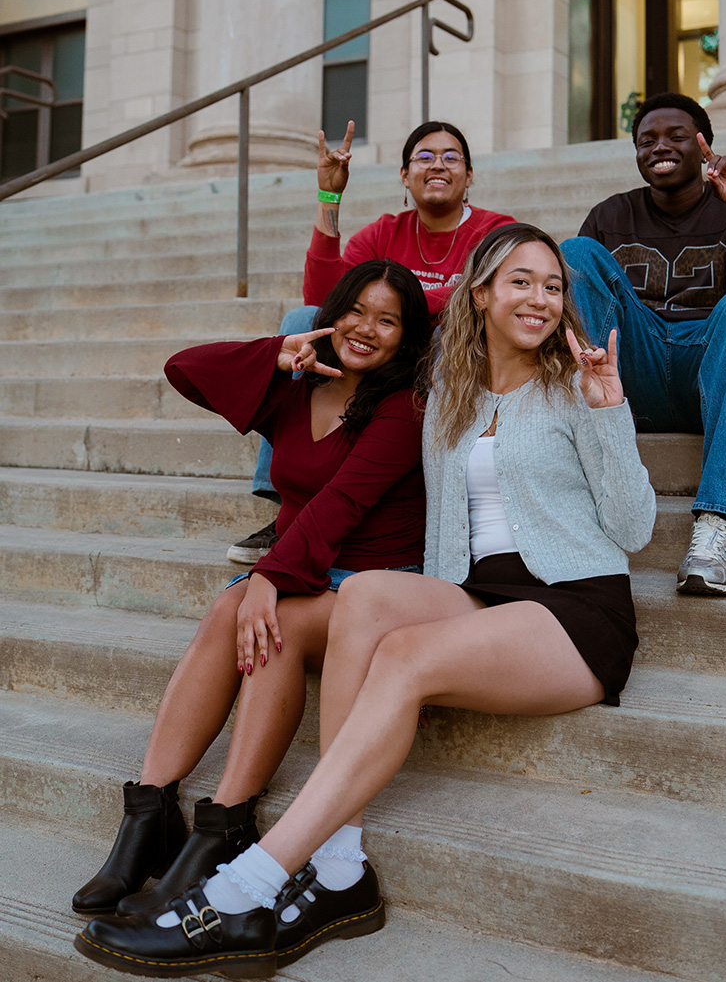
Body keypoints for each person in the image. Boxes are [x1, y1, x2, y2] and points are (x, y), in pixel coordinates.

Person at [74, 223, 657, 978]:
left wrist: (609, 410)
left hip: (576, 607)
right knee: (369, 598)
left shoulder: (579, 384)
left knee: (405, 654)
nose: (539, 297)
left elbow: (634, 528)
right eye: (520, 281)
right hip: (477, 594)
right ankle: (344, 869)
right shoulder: (445, 390)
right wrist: (280, 352)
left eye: (552, 285)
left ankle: (247, 884)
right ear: (480, 295)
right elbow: (362, 340)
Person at [71, 260, 432, 921]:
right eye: (356, 310)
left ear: (405, 338)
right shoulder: (295, 386)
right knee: (226, 606)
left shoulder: (402, 406)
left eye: (388, 320)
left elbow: (342, 506)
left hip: (372, 583)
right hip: (301, 569)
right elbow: (186, 369)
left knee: (266, 616)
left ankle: (228, 816)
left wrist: (266, 577)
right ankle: (150, 811)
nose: (366, 329)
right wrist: (275, 351)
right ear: (333, 312)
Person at [560, 92, 726, 596]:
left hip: (709, 368)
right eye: (646, 140)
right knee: (574, 253)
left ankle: (718, 530)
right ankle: (583, 482)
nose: (660, 146)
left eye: (677, 136)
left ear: (705, 147)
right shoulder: (611, 215)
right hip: (632, 374)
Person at [229, 119, 515, 564]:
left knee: (447, 331)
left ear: (469, 175)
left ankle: (437, 499)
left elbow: (482, 295)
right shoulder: (385, 231)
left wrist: (396, 308)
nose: (437, 164)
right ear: (404, 176)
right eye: (424, 156)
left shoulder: (496, 231)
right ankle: (285, 503)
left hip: (443, 364)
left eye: (450, 156)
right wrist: (330, 195)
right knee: (302, 320)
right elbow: (325, 301)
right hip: (380, 358)